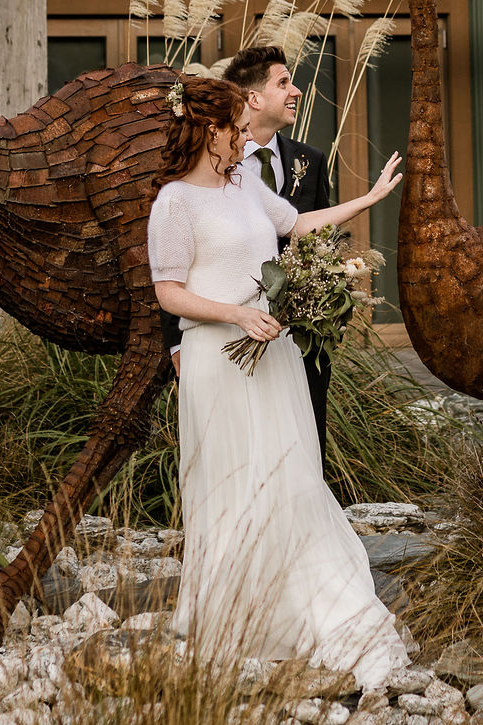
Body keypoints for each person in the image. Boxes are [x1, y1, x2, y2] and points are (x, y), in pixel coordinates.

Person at [148, 75, 410, 687]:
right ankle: (238, 616)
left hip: (274, 358)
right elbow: (168, 291)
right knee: (232, 483)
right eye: (237, 130)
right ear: (211, 132)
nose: (246, 140)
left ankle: (300, 607)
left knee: (290, 475)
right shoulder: (174, 203)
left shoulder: (246, 184)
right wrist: (237, 312)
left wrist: (368, 200)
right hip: (218, 360)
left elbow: (298, 224)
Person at [162, 46, 347, 461]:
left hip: (297, 338)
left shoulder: (311, 161)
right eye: (284, 82)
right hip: (222, 337)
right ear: (253, 99)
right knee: (233, 450)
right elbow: (174, 263)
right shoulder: (202, 167)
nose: (296, 91)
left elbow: (322, 242)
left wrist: (323, 316)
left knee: (300, 448)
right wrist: (176, 343)